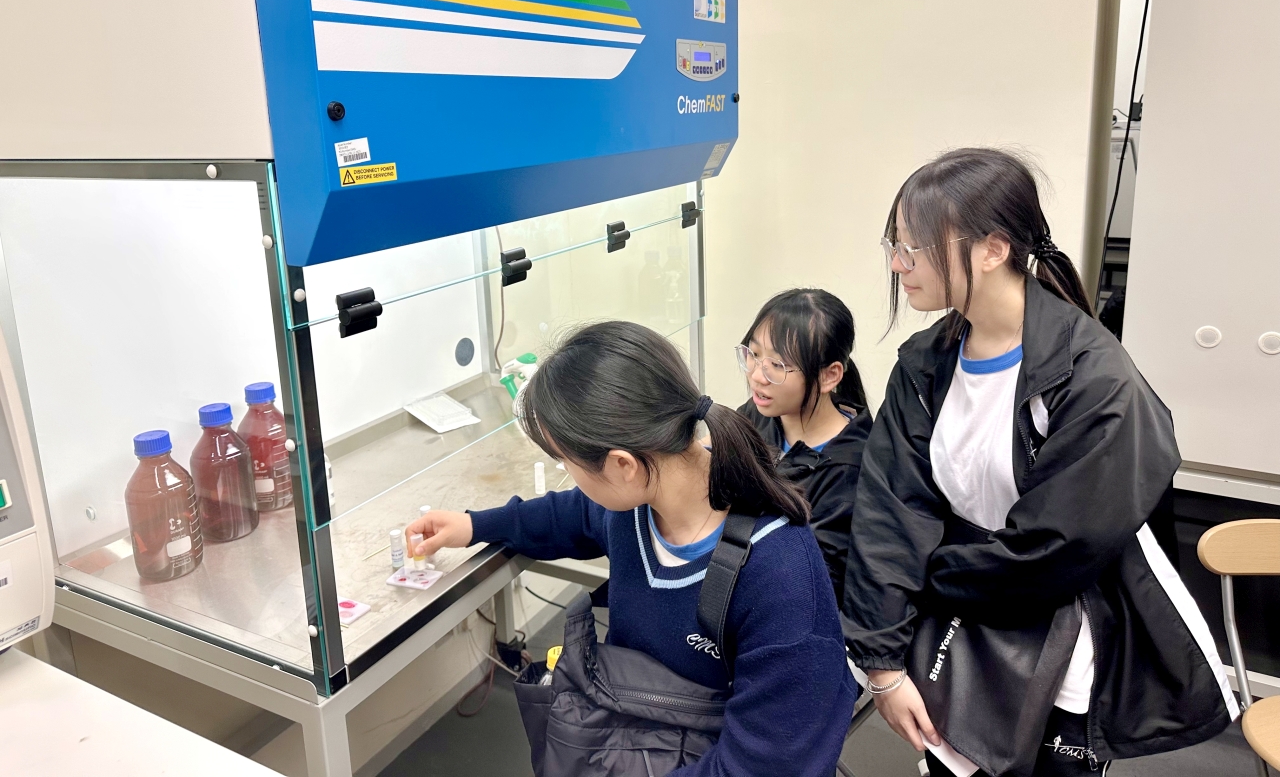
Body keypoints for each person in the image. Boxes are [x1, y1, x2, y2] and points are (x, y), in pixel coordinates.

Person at [843, 148, 1236, 777]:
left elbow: (1048, 553)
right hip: (959, 642)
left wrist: (926, 581)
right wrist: (884, 666)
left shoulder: (1096, 379)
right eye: (894, 245)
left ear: (993, 250)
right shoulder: (924, 365)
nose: (897, 264)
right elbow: (889, 515)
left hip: (1060, 657)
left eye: (913, 248)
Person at [408, 320, 857, 777]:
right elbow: (569, 514)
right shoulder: (636, 503)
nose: (568, 474)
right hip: (632, 733)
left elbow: (763, 765)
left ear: (621, 466)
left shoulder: (780, 574)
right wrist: (474, 525)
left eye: (565, 461)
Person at [735, 288, 873, 605]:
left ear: (829, 376)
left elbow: (813, 580)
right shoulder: (759, 413)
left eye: (777, 365)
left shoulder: (850, 468)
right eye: (753, 354)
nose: (757, 375)